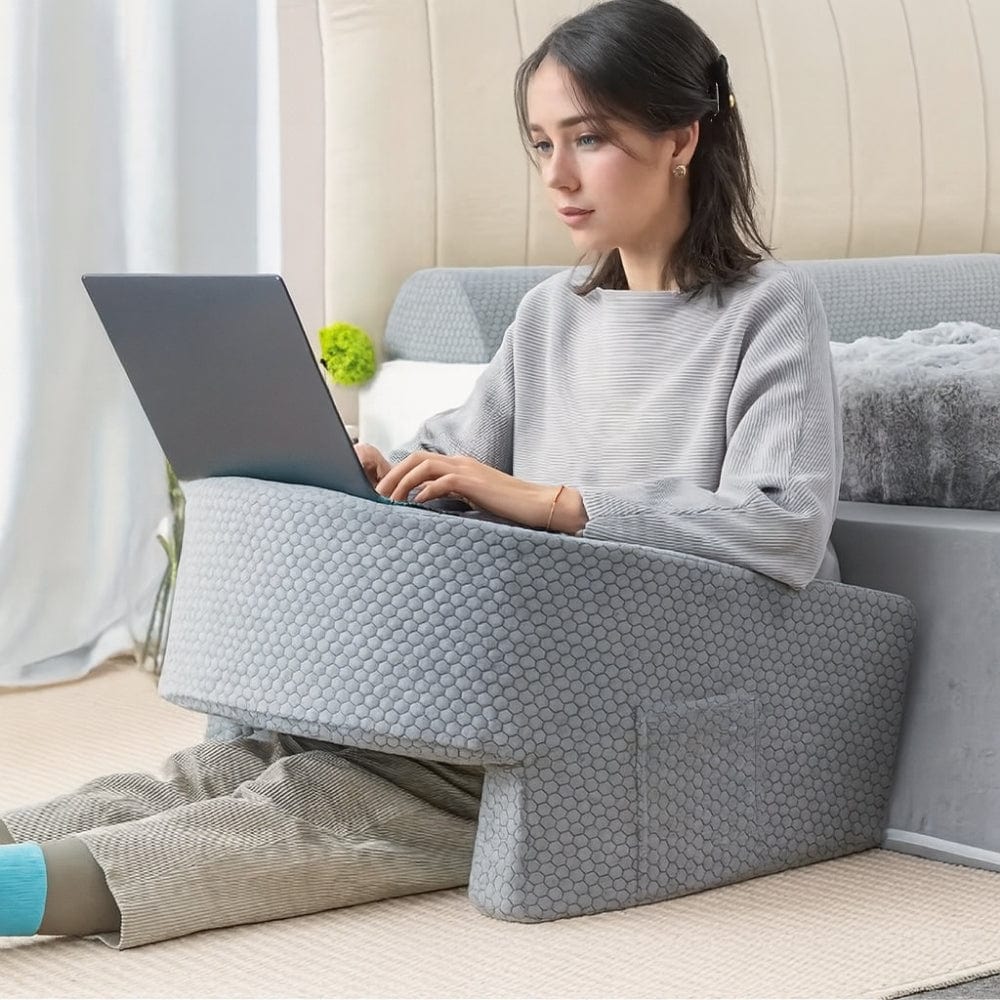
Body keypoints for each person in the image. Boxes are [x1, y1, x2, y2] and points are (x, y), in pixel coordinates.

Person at [0, 0, 842, 950]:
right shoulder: (553, 312)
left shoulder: (770, 310)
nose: (556, 177)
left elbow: (783, 521)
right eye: (540, 145)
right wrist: (373, 473)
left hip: (617, 696)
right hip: (496, 670)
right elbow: (456, 458)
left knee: (315, 806)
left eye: (590, 138)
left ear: (682, 136)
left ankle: (18, 894)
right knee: (239, 765)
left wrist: (555, 502)